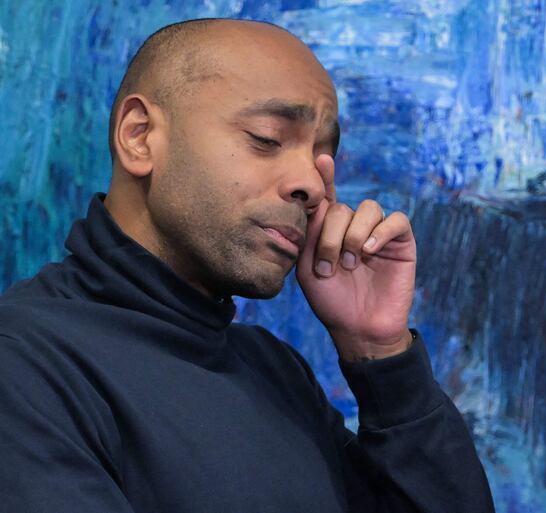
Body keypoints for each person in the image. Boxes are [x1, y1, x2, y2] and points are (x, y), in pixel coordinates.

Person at [0, 18, 494, 513]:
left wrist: (381, 353)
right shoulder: (24, 365)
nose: (312, 185)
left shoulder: (274, 371)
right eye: (267, 138)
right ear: (140, 136)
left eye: (322, 157)